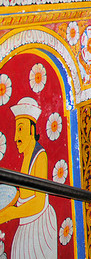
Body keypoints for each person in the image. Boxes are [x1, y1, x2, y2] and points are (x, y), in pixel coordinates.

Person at [0, 97, 58, 258]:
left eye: (20, 129)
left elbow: (38, 202)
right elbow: (24, 192)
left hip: (39, 225)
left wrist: (10, 213)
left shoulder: (40, 156)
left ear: (32, 131)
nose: (15, 137)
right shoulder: (26, 155)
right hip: (26, 225)